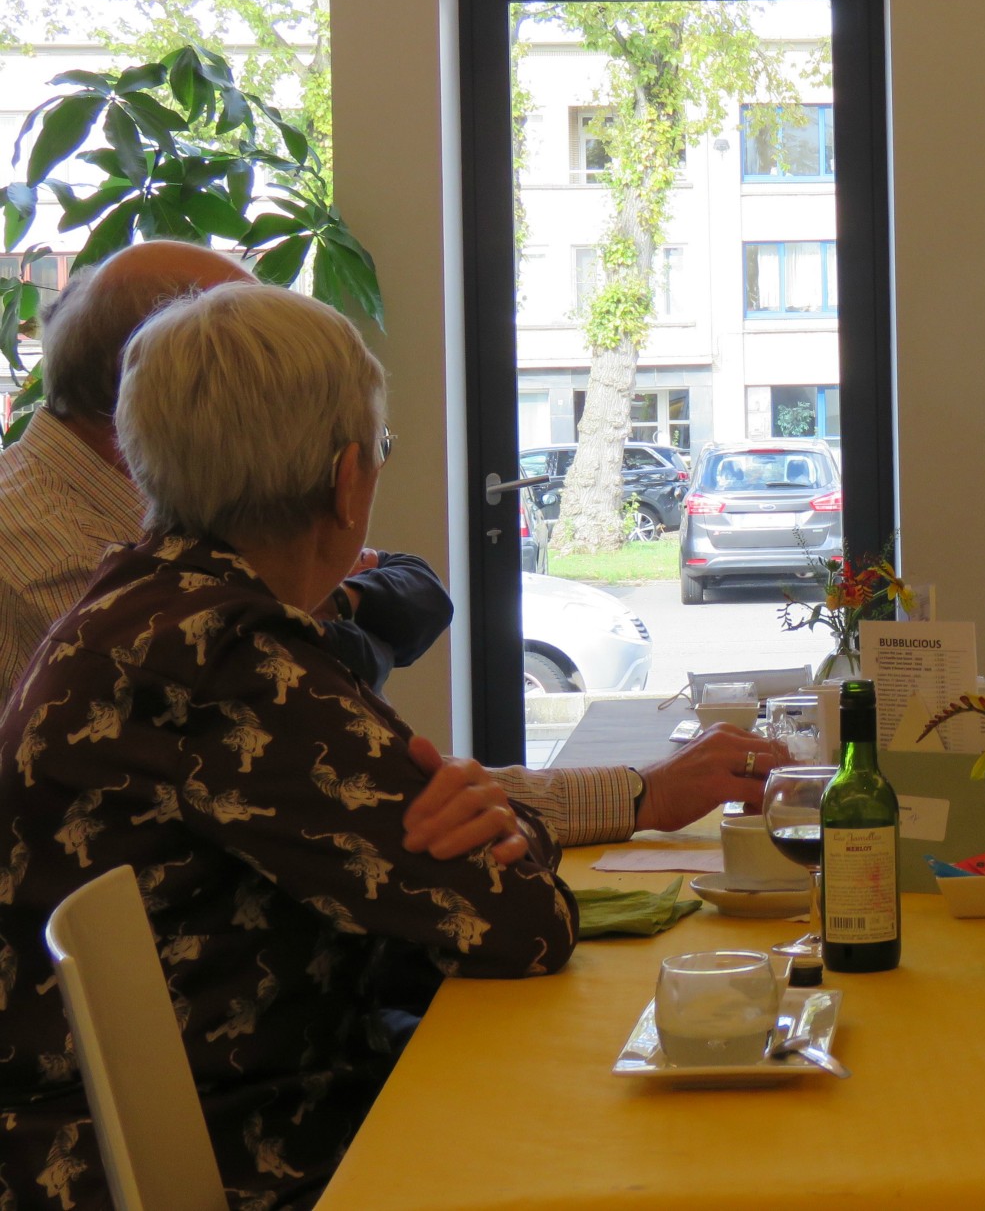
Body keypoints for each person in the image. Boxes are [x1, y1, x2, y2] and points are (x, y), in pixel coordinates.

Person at [0, 282, 580, 1210]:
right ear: (348, 480)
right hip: (246, 1153)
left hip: (107, 1141)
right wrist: (511, 829)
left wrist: (487, 826)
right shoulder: (228, 661)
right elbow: (521, 923)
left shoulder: (136, 601)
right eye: (383, 451)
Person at [0, 241, 788, 853]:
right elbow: (411, 834)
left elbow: (401, 633)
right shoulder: (71, 568)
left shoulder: (132, 553)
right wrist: (640, 794)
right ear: (159, 378)